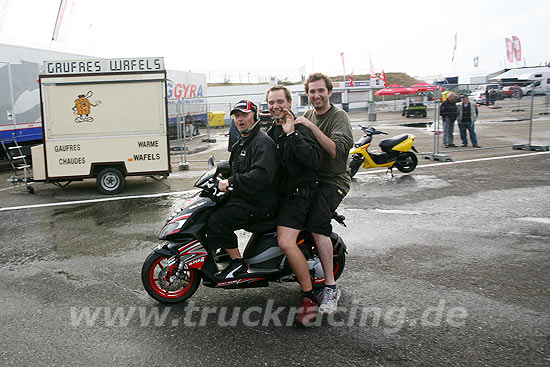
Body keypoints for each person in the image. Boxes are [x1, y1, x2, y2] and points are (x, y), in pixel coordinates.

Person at [295, 73, 354, 315]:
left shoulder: (338, 117)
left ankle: (330, 286)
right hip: (313, 179)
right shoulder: (307, 114)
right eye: (312, 92)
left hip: (333, 181)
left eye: (321, 91)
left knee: (318, 226)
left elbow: (335, 150)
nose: (316, 95)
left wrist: (309, 126)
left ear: (329, 92)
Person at [265, 85, 323, 324]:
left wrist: (292, 134)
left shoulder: (299, 128)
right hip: (282, 194)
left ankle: (309, 298)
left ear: (289, 102)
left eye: (280, 101)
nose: (276, 106)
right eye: (271, 103)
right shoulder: (271, 131)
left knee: (285, 241)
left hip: (301, 194)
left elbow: (315, 160)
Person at [206, 100, 278, 280]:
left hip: (259, 204)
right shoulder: (242, 141)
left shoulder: (261, 142)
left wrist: (231, 181)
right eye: (237, 116)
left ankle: (237, 263)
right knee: (209, 209)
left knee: (218, 220)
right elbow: (235, 168)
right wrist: (219, 176)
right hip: (246, 197)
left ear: (254, 115)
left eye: (244, 115)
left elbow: (261, 176)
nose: (240, 119)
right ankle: (224, 248)